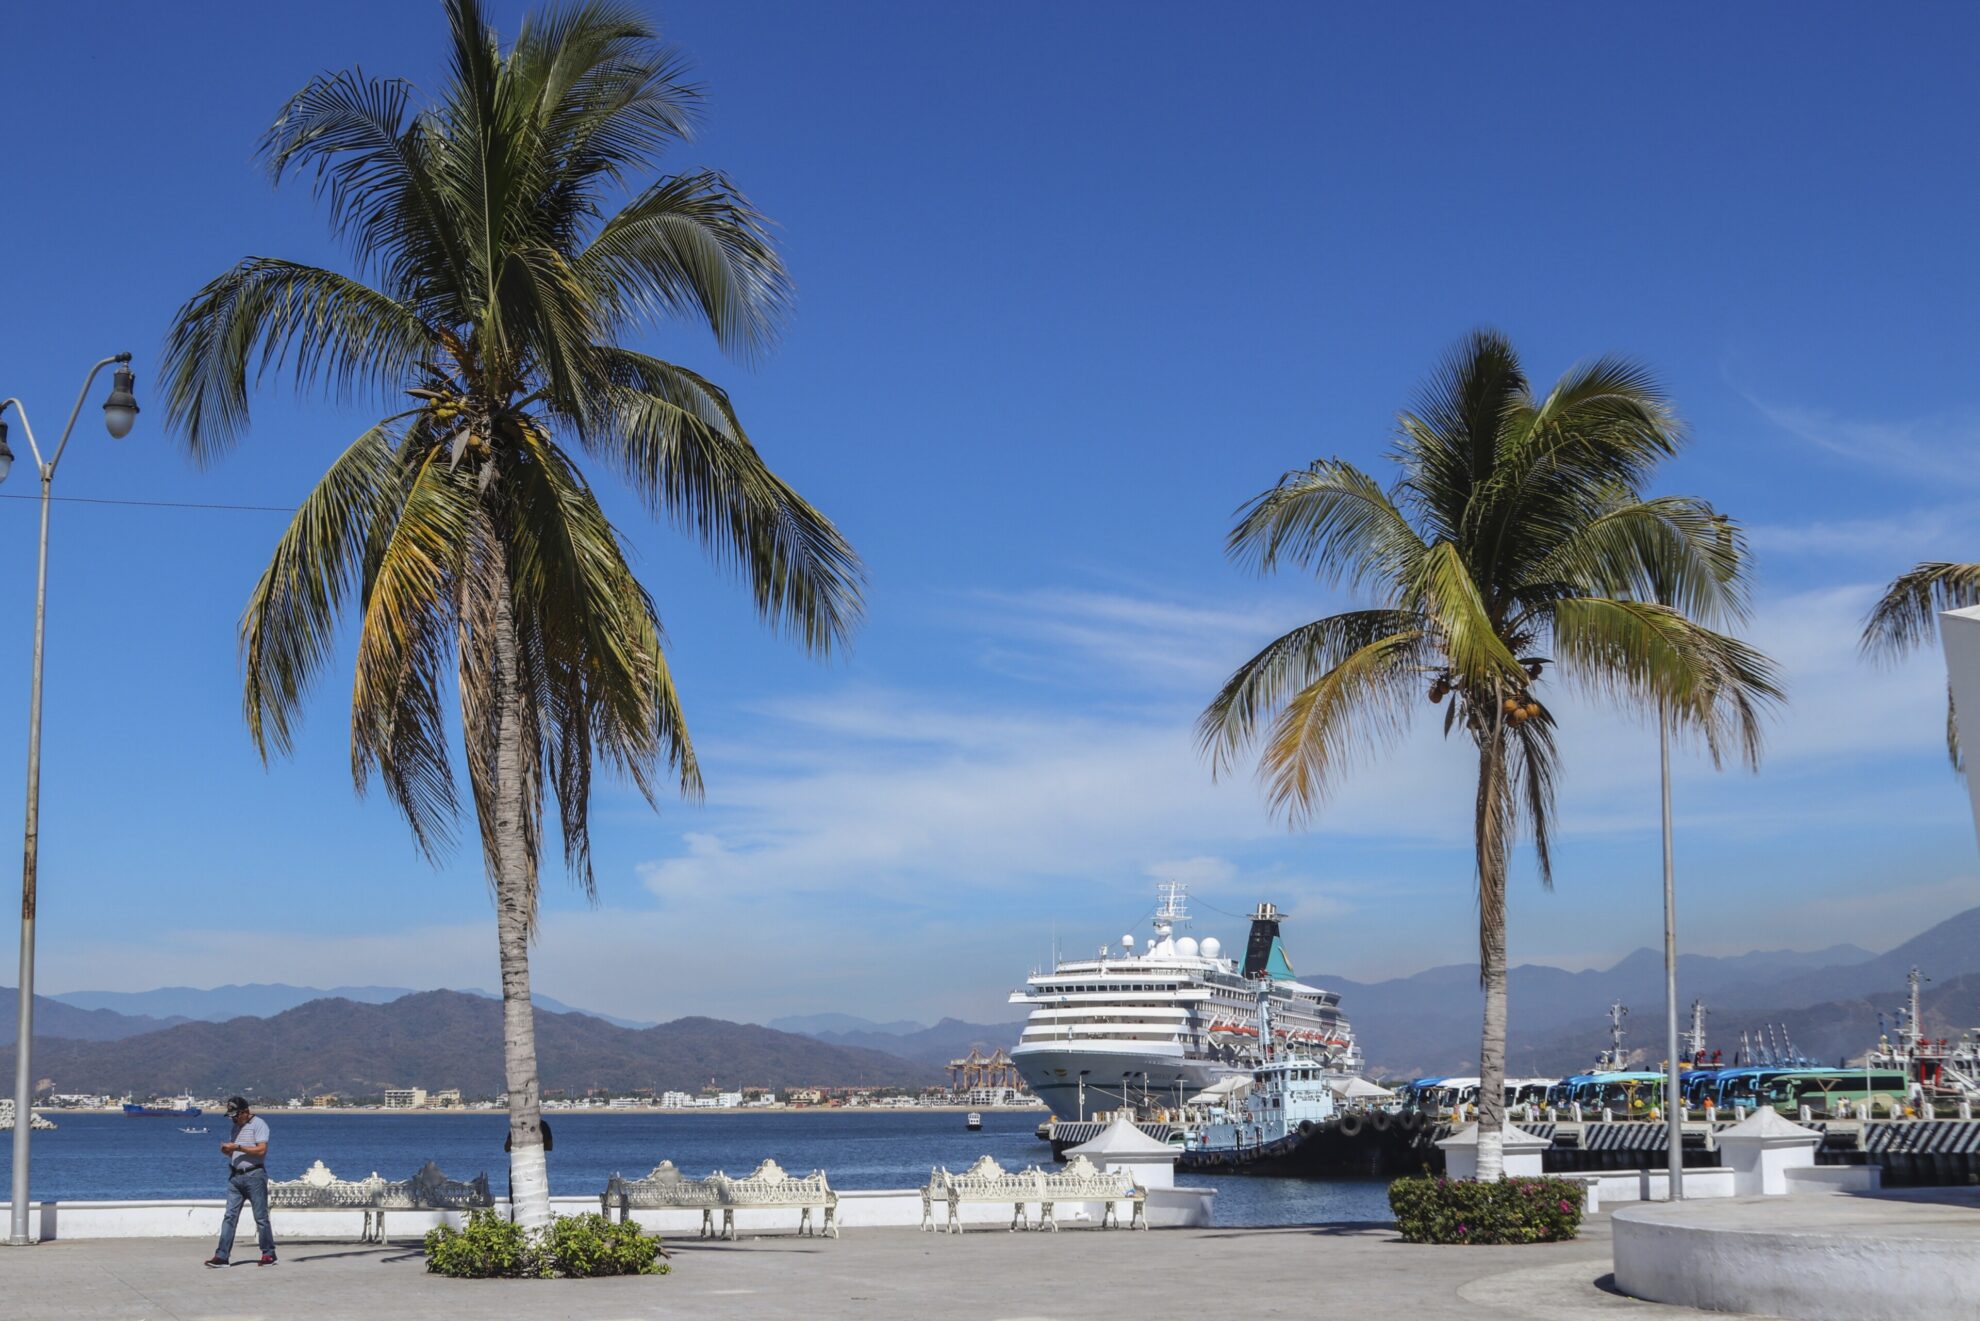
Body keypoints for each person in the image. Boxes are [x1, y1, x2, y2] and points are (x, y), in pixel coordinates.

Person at [205, 1096, 275, 1267]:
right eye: (231, 1116)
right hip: (235, 1177)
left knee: (260, 1217)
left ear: (245, 1112)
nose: (234, 1119)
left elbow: (261, 1150)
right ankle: (222, 1256)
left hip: (254, 1176)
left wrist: (237, 1147)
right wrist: (228, 1152)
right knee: (229, 1216)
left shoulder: (259, 1125)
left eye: (236, 1115)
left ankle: (268, 1254)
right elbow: (237, 1153)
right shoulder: (235, 1128)